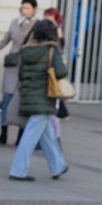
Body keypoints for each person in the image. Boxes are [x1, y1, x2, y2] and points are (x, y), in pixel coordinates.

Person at [8, 20, 69, 181]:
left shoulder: (26, 49)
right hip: (43, 98)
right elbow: (61, 72)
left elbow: (21, 75)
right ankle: (18, 170)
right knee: (30, 136)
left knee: (47, 133)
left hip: (28, 96)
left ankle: (58, 165)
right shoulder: (51, 50)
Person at [0, 0, 38, 144]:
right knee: (7, 99)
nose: (24, 11)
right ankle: (3, 132)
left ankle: (20, 135)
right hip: (12, 67)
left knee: (22, 102)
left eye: (28, 8)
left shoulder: (38, 25)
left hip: (28, 67)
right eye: (23, 7)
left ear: (34, 10)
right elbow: (5, 41)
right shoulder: (14, 22)